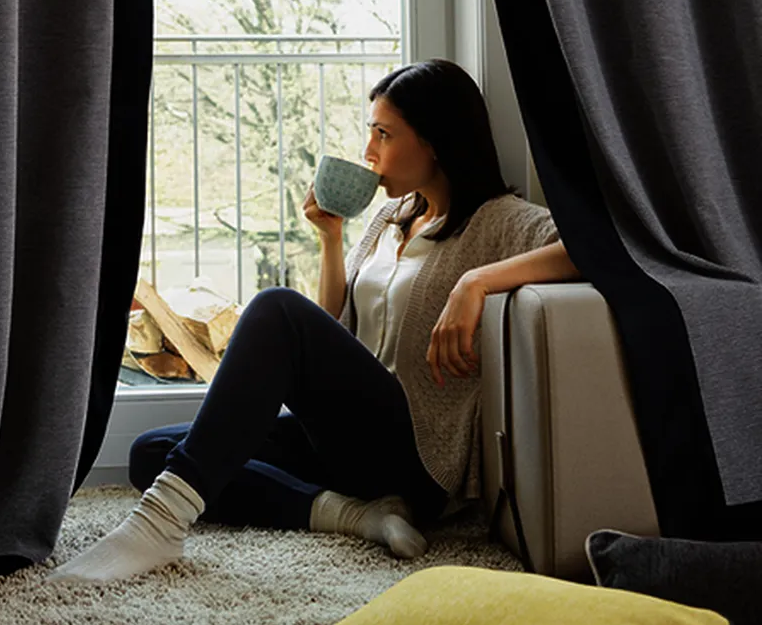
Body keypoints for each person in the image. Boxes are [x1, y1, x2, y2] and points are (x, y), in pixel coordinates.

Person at [49, 59, 581, 584]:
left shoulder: (496, 222)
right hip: (349, 440)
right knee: (152, 454)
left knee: (276, 307)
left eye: (384, 134)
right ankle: (358, 515)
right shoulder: (388, 220)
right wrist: (330, 240)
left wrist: (477, 282)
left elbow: (588, 251)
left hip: (416, 455)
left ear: (435, 141)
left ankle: (159, 525)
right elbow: (332, 326)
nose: (368, 151)